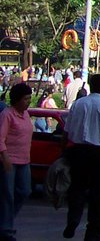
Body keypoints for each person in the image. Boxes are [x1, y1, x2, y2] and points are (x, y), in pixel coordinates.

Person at [63, 73, 100, 241]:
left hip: (78, 151)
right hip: (98, 152)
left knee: (77, 189)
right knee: (98, 193)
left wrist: (63, 152)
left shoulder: (78, 104)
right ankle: (93, 230)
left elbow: (66, 131)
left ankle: (73, 220)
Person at [0, 83, 33, 240]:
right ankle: (5, 230)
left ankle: (4, 220)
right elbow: (0, 138)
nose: (28, 101)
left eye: (29, 98)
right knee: (8, 195)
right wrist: (4, 157)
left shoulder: (26, 115)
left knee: (24, 191)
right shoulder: (7, 114)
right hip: (9, 161)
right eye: (26, 99)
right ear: (17, 100)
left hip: (24, 160)